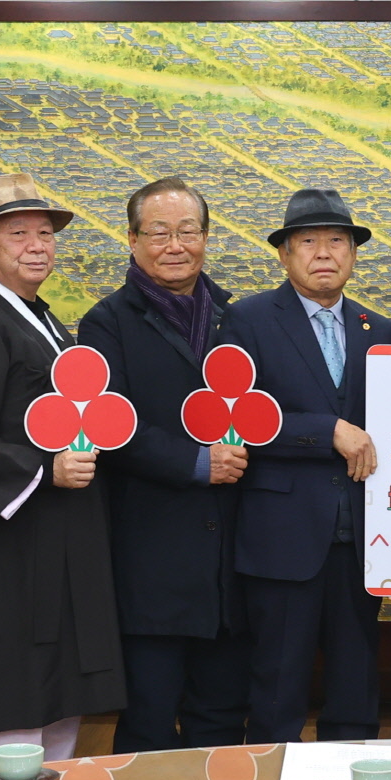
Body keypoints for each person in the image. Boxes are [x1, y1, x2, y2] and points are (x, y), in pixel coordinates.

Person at [0, 173, 127, 772]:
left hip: (52, 544)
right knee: (7, 706)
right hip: (2, 552)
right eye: (19, 233)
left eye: (46, 233)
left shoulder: (39, 319)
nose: (37, 245)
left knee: (55, 703)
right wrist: (45, 467)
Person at [79, 177, 249, 750]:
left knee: (223, 726)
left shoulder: (236, 318)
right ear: (132, 240)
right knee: (148, 727)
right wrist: (196, 463)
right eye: (159, 232)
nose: (175, 245)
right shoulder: (106, 322)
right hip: (150, 562)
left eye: (189, 231)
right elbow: (112, 425)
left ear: (206, 237)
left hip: (227, 570)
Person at [226, 189, 391, 742]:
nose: (324, 253)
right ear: (284, 254)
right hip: (282, 537)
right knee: (277, 685)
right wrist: (325, 431)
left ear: (353, 254)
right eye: (308, 241)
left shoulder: (382, 331)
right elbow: (238, 416)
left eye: (337, 241)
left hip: (361, 537)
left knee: (356, 680)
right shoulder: (246, 320)